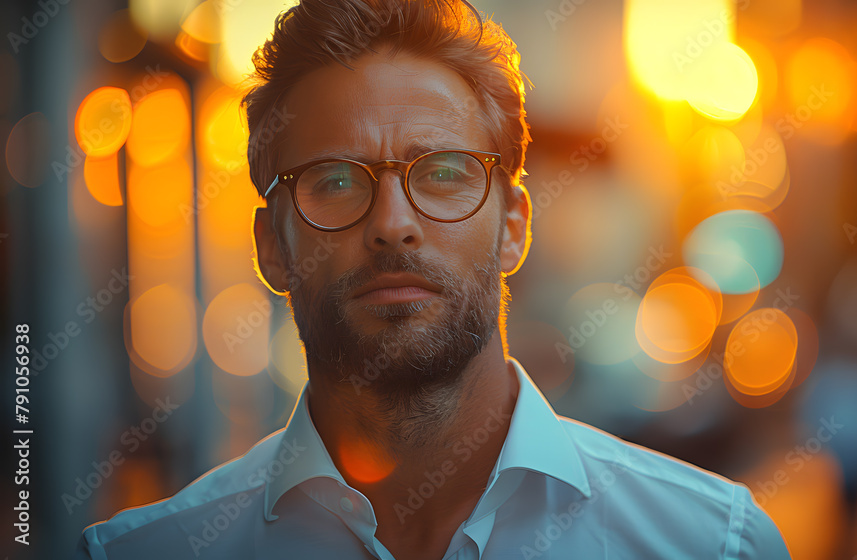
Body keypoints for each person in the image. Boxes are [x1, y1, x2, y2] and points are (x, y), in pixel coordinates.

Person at [75, 0, 790, 558]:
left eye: (443, 175)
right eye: (334, 179)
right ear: (272, 246)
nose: (393, 223)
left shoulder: (711, 545)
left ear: (514, 225)